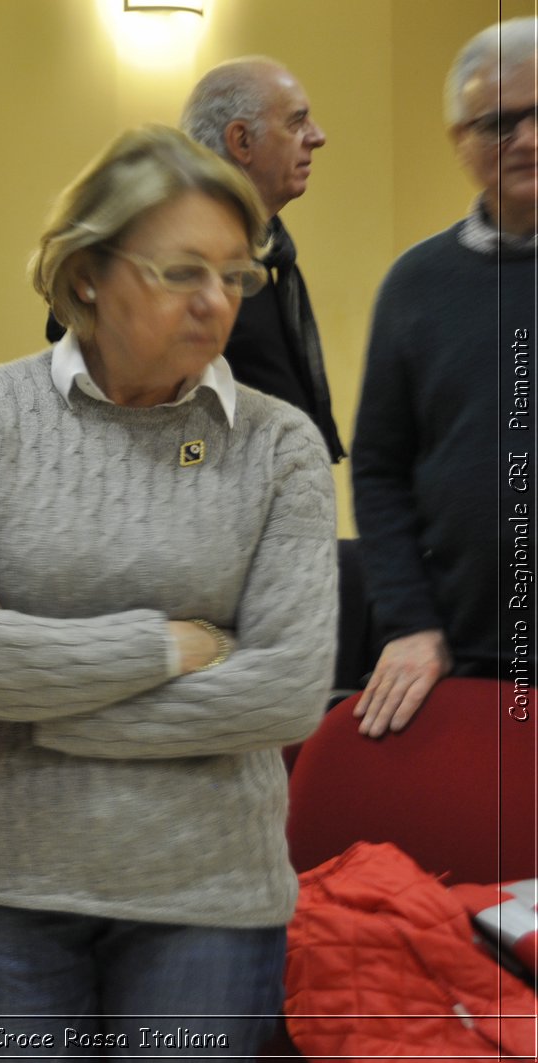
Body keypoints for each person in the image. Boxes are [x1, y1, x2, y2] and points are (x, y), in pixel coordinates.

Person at [0, 125, 336, 1059]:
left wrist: (34, 697)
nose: (217, 300)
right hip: (9, 882)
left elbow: (289, 688)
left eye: (235, 274)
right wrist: (173, 647)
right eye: (184, 271)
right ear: (89, 271)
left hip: (210, 892)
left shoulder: (280, 443)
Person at [350, 16, 538, 738]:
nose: (525, 139)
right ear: (459, 141)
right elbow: (378, 469)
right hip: (458, 659)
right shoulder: (415, 285)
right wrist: (409, 621)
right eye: (497, 123)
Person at [48, 57, 342, 463]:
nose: (318, 137)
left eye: (232, 276)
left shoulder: (270, 250)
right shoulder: (146, 242)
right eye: (296, 122)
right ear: (241, 141)